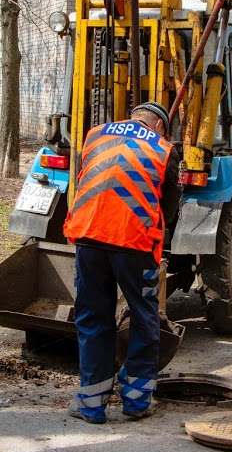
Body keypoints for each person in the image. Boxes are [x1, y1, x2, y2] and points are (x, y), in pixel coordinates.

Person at [63, 101, 182, 423]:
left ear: (133, 119)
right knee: (144, 318)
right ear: (159, 126)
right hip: (134, 243)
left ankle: (91, 404)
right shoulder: (163, 148)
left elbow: (86, 179)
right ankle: (136, 401)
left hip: (88, 237)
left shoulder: (95, 135)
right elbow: (169, 205)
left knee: (92, 318)